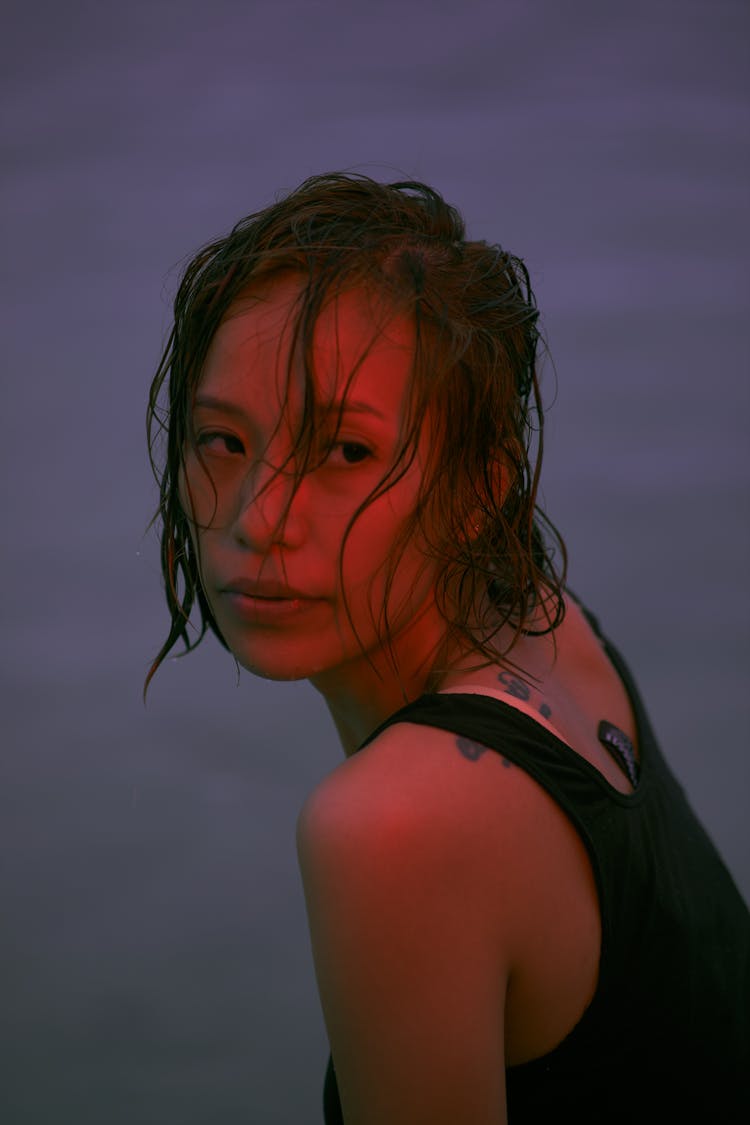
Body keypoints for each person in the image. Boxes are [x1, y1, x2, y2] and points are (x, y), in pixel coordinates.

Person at [145, 172, 750, 1124]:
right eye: (223, 440)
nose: (260, 517)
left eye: (345, 452)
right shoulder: (547, 626)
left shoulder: (392, 829)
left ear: (480, 488)